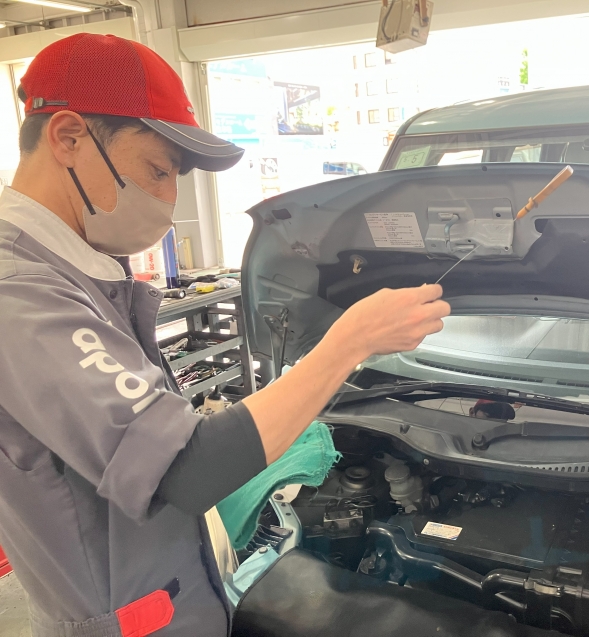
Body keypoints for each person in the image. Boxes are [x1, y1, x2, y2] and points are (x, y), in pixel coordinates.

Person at [0, 34, 450, 637]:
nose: (169, 199)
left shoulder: (75, 271)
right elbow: (187, 469)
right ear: (68, 138)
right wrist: (350, 342)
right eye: (158, 170)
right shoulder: (20, 293)